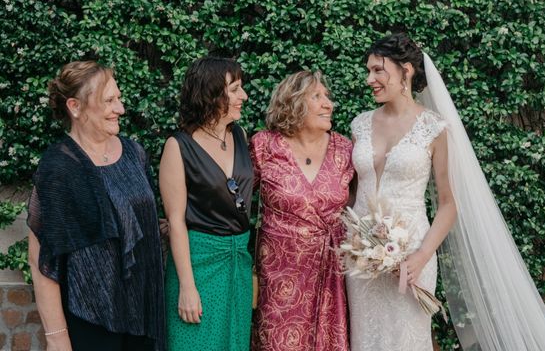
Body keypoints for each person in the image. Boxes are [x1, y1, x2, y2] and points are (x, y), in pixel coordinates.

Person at [347, 33, 545, 351]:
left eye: (378, 70)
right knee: (365, 338)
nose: (370, 79)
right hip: (362, 259)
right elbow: (352, 193)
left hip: (412, 255)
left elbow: (448, 203)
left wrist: (421, 256)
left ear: (406, 70)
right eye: (368, 70)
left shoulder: (434, 128)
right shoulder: (359, 125)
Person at [27, 61, 165, 351]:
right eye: (109, 101)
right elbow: (41, 259)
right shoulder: (60, 169)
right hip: (90, 319)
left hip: (142, 313)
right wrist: (57, 338)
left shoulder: (134, 154)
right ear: (75, 107)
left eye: (119, 98)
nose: (121, 109)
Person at [250, 71, 354, 351]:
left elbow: (359, 206)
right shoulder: (264, 145)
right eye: (317, 97)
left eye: (328, 97)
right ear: (293, 102)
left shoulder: (344, 150)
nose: (328, 104)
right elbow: (235, 204)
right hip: (279, 282)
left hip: (331, 277)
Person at [160, 56, 253, 351]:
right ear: (212, 93)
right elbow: (175, 221)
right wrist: (187, 286)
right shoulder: (178, 146)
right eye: (236, 89)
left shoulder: (240, 136)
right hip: (199, 264)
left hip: (237, 264)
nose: (244, 96)